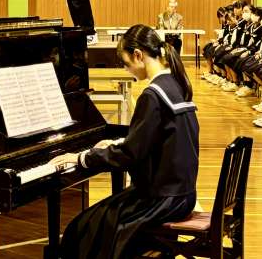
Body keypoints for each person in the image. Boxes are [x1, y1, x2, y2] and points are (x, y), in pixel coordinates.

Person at [49, 24, 199, 259]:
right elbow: (151, 139)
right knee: (99, 220)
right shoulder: (175, 85)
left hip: (160, 200)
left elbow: (130, 155)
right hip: (182, 195)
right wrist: (117, 143)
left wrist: (82, 158)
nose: (127, 70)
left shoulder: (152, 96)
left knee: (83, 228)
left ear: (138, 55)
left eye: (126, 64)